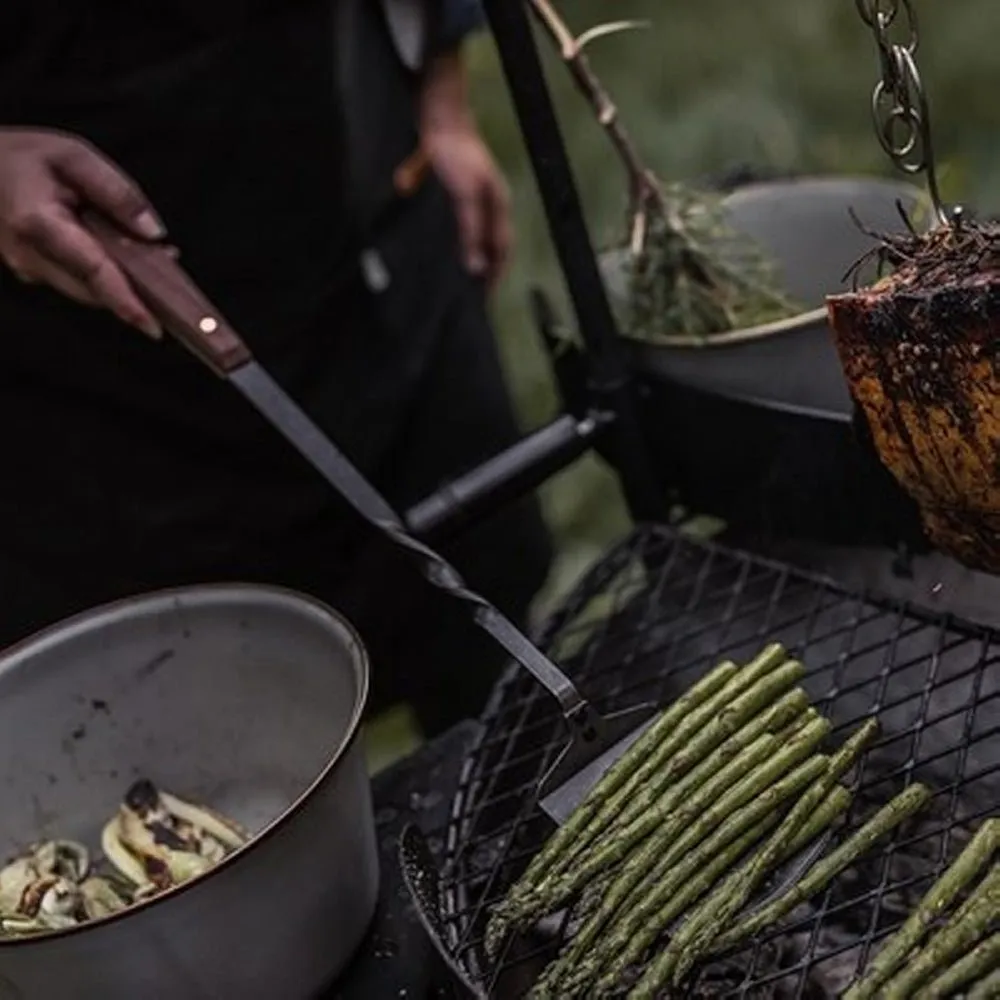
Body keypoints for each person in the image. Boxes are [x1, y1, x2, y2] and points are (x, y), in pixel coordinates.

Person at [0, 0, 553, 737]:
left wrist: (440, 97)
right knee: (176, 761)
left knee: (496, 658)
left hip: (372, 216)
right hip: (93, 378)